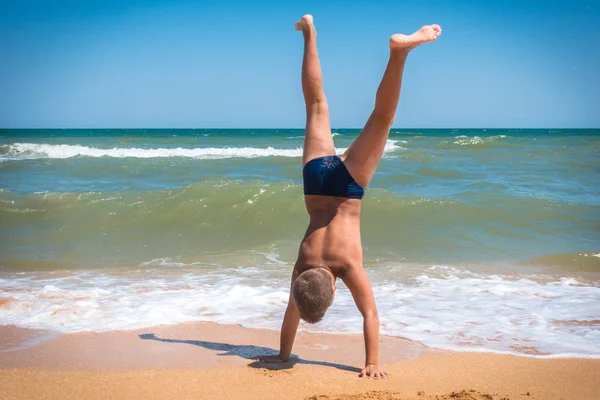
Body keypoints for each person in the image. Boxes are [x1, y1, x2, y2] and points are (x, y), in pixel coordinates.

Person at [258, 14, 441, 378]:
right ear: (302, 283)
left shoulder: (346, 267)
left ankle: (399, 54)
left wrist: (372, 363)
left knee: (383, 117)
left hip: (348, 189)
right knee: (315, 105)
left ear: (335, 293)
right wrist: (281, 354)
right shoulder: (301, 266)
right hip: (316, 181)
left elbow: (370, 314)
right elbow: (292, 311)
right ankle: (309, 31)